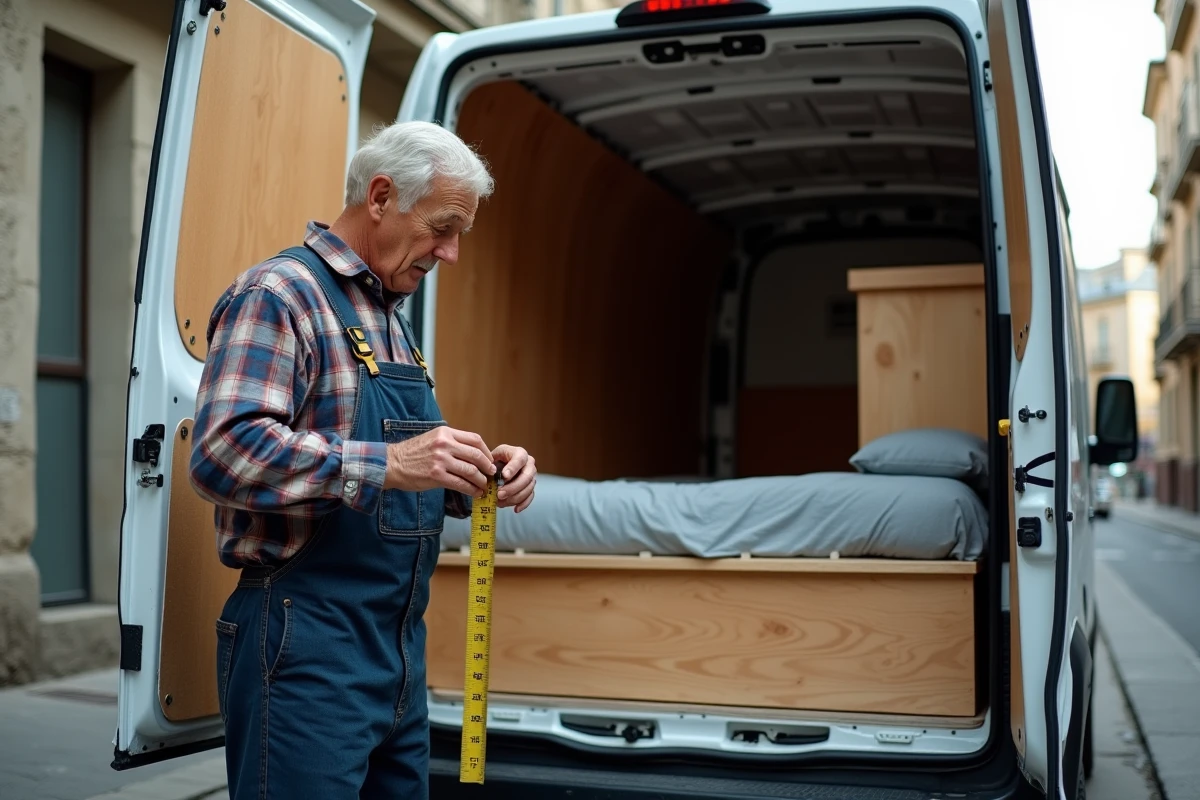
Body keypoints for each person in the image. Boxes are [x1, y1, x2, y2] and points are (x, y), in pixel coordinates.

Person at [188, 121, 537, 799]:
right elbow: (220, 451)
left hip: (395, 648)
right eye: (443, 226)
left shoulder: (388, 314)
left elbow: (400, 465)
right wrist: (390, 463)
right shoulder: (279, 294)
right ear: (381, 197)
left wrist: (476, 475)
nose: (452, 252)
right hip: (302, 642)